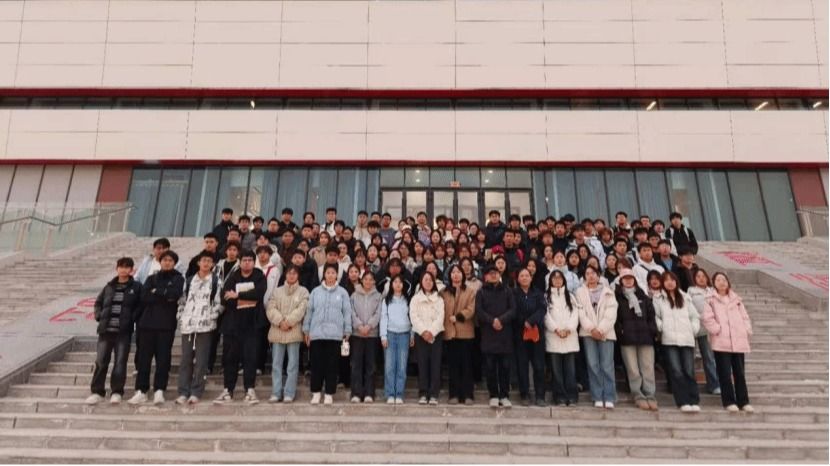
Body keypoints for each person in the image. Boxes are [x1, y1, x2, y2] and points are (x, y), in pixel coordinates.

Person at [129, 251, 185, 405]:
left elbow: (174, 295)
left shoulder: (178, 278)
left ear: (174, 263)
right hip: (147, 324)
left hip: (166, 325)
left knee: (163, 359)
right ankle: (141, 390)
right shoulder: (151, 278)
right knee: (143, 359)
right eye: (164, 260)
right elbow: (144, 297)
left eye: (170, 260)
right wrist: (164, 294)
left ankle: (159, 390)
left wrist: (157, 292)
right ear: (160, 262)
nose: (167, 262)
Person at [214, 249, 267, 405]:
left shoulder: (259, 276)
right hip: (233, 325)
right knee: (230, 359)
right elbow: (225, 298)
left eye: (250, 260)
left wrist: (238, 296)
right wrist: (247, 299)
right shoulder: (233, 276)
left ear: (254, 262)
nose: (247, 263)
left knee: (251, 359)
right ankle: (227, 390)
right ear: (240, 261)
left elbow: (259, 294)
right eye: (244, 260)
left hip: (252, 325)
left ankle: (249, 390)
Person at [86, 257, 142, 405]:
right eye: (121, 267)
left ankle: (117, 392)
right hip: (106, 330)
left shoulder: (136, 287)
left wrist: (131, 318)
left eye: (127, 267)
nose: (123, 270)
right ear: (117, 269)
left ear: (132, 270)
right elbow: (98, 302)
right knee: (101, 361)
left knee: (120, 363)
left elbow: (140, 306)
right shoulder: (109, 286)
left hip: (123, 332)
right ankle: (97, 392)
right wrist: (99, 315)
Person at [175, 252, 223, 405]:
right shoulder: (189, 280)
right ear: (198, 263)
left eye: (209, 261)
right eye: (204, 260)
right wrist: (181, 316)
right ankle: (183, 391)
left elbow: (219, 302)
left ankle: (196, 391)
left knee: (201, 361)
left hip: (205, 325)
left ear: (213, 264)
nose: (206, 263)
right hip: (188, 325)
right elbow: (182, 300)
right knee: (186, 360)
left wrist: (212, 316)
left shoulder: (216, 281)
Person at [702, 272, 753, 413]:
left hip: (738, 341)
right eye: (718, 280)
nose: (722, 282)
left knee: (740, 373)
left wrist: (746, 330)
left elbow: (745, 317)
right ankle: (729, 401)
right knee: (724, 373)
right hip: (721, 342)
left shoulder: (737, 300)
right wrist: (717, 330)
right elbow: (707, 318)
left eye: (724, 279)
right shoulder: (710, 299)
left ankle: (743, 401)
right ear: (714, 283)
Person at [303, 263, 352, 405]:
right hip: (317, 333)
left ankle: (329, 393)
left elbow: (347, 312)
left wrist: (347, 330)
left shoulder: (342, 292)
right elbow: (309, 311)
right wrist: (306, 329)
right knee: (316, 365)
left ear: (337, 275)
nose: (330, 275)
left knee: (332, 365)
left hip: (335, 335)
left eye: (333, 273)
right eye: (328, 272)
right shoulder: (315, 292)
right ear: (324, 274)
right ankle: (316, 392)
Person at [654, 271, 701, 413]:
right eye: (666, 280)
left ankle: (694, 400)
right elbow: (656, 316)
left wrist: (693, 329)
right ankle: (682, 401)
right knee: (676, 371)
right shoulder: (659, 299)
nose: (669, 282)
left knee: (689, 370)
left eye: (672, 280)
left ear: (676, 281)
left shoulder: (685, 297)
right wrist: (662, 327)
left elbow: (695, 316)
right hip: (669, 339)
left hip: (687, 338)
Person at [614, 268, 659, 411]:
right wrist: (620, 332)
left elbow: (651, 315)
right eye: (625, 278)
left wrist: (652, 330)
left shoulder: (643, 296)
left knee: (647, 367)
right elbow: (616, 319)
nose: (628, 281)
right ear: (621, 281)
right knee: (632, 368)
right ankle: (637, 394)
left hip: (645, 336)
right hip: (627, 337)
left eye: (630, 278)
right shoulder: (618, 297)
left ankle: (650, 394)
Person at [574, 265, 618, 409]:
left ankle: (609, 396)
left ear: (599, 276)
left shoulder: (608, 292)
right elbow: (580, 313)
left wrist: (600, 329)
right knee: (593, 365)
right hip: (588, 333)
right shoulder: (580, 292)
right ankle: (597, 396)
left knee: (607, 365)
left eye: (593, 273)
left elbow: (611, 313)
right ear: (584, 277)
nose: (591, 276)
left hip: (606, 332)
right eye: (587, 273)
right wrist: (592, 329)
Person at [266, 265, 309, 403]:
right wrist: (280, 321)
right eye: (289, 273)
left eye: (294, 273)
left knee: (293, 365)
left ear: (298, 276)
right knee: (276, 364)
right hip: (277, 331)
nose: (291, 276)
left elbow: (302, 309)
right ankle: (276, 392)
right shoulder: (277, 291)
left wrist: (289, 322)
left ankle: (289, 393)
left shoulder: (303, 291)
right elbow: (270, 308)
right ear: (285, 275)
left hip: (293, 331)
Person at [476, 264, 516, 409]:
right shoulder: (481, 292)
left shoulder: (507, 290)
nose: (493, 275)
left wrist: (501, 320)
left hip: (505, 334)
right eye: (490, 273)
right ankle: (493, 395)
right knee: (490, 367)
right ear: (486, 276)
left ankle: (504, 395)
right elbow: (479, 311)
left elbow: (513, 309)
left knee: (505, 367)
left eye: (496, 272)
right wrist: (492, 321)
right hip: (488, 334)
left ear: (499, 275)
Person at [441, 264, 476, 405]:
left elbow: (471, 309)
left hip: (466, 332)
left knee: (467, 365)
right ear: (450, 276)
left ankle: (468, 395)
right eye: (453, 272)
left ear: (462, 275)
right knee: (453, 366)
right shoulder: (444, 292)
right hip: (450, 333)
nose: (456, 275)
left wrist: (458, 317)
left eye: (458, 272)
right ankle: (454, 394)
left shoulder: (470, 291)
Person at [543, 270, 580, 407]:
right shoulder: (546, 296)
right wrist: (556, 329)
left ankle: (572, 396)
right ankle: (559, 397)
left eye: (559, 278)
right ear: (550, 281)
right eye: (554, 278)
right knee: (556, 370)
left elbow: (575, 314)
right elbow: (546, 315)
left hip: (570, 337)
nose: (557, 280)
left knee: (571, 370)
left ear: (564, 280)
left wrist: (569, 329)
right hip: (554, 337)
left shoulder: (570, 296)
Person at [512, 268, 547, 407]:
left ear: (531, 278)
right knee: (522, 365)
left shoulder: (538, 293)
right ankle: (524, 394)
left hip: (537, 333)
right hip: (520, 334)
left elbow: (542, 309)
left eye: (527, 275)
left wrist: (531, 321)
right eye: (522, 275)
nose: (525, 278)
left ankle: (540, 395)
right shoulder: (514, 294)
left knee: (539, 365)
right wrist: (524, 322)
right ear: (518, 279)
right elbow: (513, 310)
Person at [410, 272, 445, 405]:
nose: (428, 282)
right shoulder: (415, 299)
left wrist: (431, 332)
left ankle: (434, 394)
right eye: (426, 279)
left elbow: (440, 317)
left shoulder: (439, 299)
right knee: (422, 364)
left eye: (431, 280)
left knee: (435, 364)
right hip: (421, 335)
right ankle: (423, 393)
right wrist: (423, 331)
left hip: (436, 335)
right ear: (421, 282)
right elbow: (414, 316)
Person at [349, 272, 383, 403]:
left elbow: (378, 313)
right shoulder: (354, 295)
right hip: (357, 334)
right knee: (356, 364)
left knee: (371, 365)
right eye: (366, 279)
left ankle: (369, 393)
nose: (368, 282)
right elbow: (352, 312)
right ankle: (356, 393)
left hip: (372, 334)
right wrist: (359, 326)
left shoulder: (378, 296)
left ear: (374, 282)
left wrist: (369, 326)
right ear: (362, 280)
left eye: (371, 279)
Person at [687, 268, 721, 395]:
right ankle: (690, 385)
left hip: (707, 329)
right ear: (694, 279)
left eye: (703, 276)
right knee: (689, 358)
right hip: (693, 327)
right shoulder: (691, 291)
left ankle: (713, 384)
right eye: (698, 276)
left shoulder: (713, 291)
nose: (701, 278)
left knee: (709, 357)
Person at [381, 275, 413, 404]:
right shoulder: (386, 300)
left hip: (404, 334)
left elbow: (412, 318)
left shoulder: (408, 300)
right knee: (389, 366)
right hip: (390, 334)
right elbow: (383, 318)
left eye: (400, 282)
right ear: (391, 285)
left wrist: (412, 335)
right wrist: (383, 336)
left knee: (402, 366)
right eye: (395, 282)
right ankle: (390, 394)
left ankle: (399, 394)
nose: (398, 284)